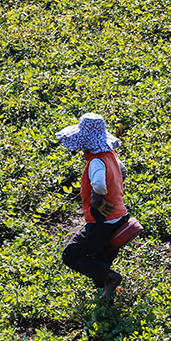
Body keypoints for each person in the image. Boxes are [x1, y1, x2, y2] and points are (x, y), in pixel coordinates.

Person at [56, 113, 135, 303]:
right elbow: (122, 171)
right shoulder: (111, 155)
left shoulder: (96, 161)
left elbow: (98, 184)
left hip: (103, 221)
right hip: (119, 216)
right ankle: (107, 295)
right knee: (100, 256)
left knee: (71, 255)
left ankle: (111, 278)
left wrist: (98, 199)